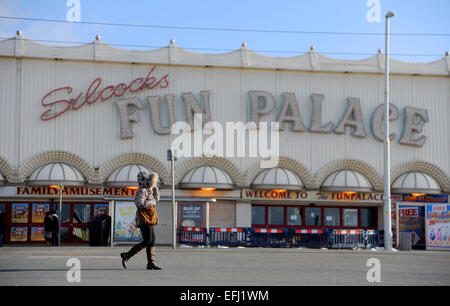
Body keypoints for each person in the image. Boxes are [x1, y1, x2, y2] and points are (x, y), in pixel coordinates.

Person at [120, 170, 162, 270]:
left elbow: (157, 199)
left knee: (152, 240)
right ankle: (127, 255)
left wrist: (154, 187)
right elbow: (139, 203)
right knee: (148, 240)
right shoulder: (142, 190)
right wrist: (151, 202)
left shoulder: (149, 189)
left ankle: (151, 263)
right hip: (143, 219)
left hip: (149, 218)